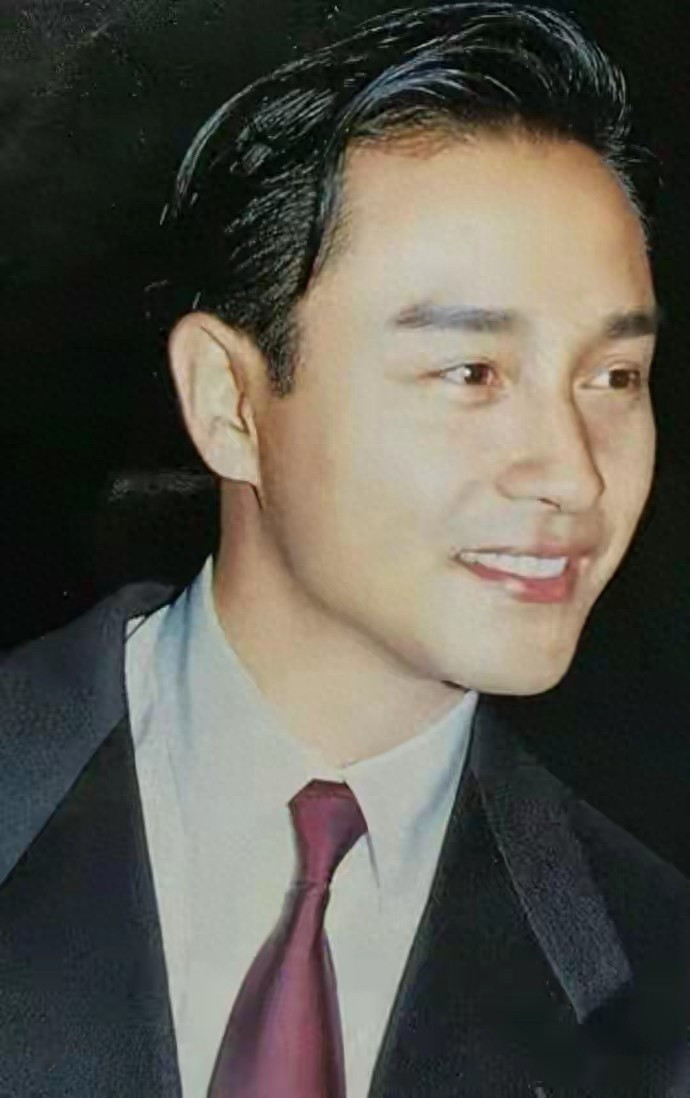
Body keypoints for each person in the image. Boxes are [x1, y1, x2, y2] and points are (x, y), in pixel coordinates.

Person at [2, 3, 690, 1096]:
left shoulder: (655, 971)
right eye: (471, 373)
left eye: (613, 378)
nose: (575, 474)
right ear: (229, 402)